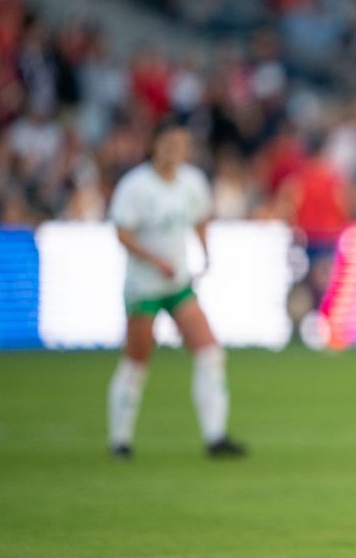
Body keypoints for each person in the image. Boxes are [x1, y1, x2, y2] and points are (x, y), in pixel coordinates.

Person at [106, 121, 247, 459]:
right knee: (137, 360)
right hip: (144, 287)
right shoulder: (136, 186)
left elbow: (200, 218)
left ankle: (215, 436)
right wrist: (154, 260)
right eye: (170, 143)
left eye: (183, 144)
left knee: (210, 352)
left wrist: (205, 250)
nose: (177, 151)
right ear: (154, 145)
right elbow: (122, 233)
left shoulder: (192, 182)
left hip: (178, 282)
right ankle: (120, 440)